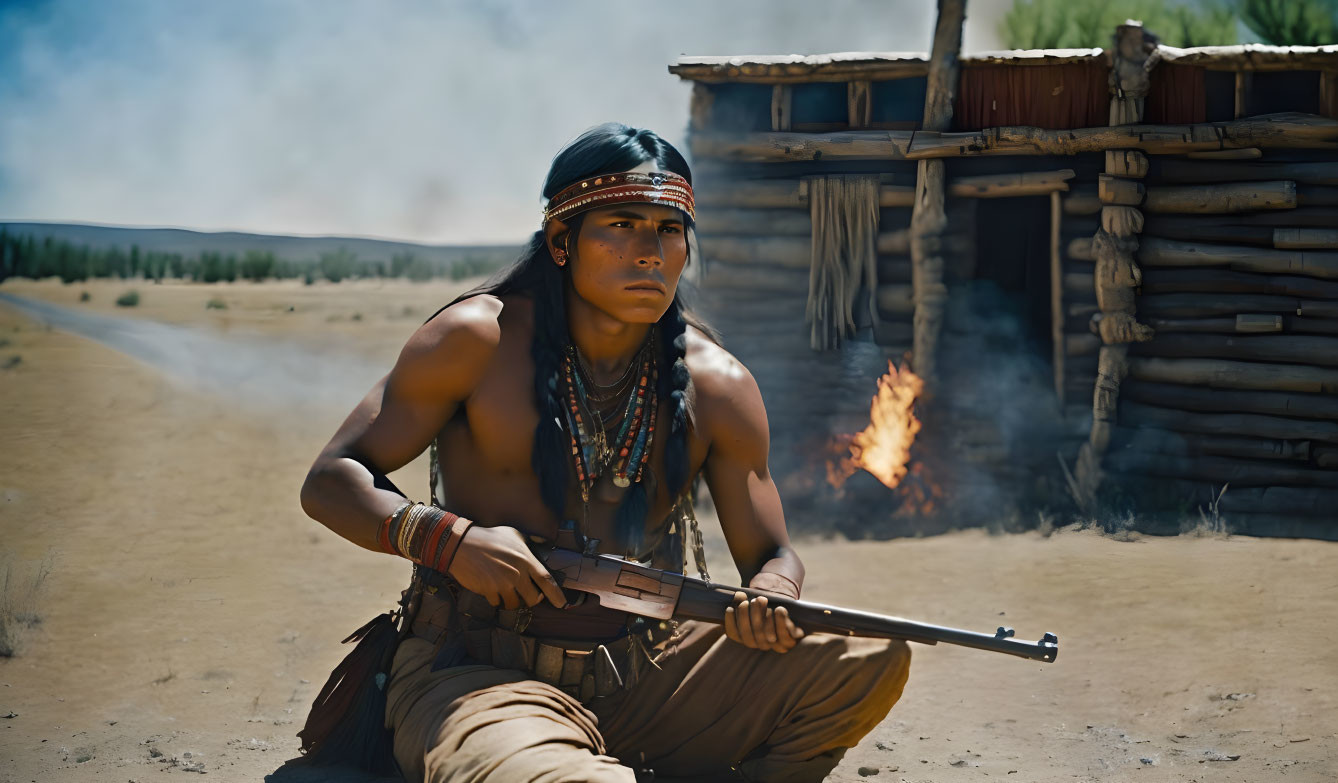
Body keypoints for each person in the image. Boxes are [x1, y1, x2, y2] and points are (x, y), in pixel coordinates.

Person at [299, 122, 911, 783]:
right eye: (621, 223)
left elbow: (771, 552)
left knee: (867, 649)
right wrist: (452, 541)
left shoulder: (718, 384)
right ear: (563, 241)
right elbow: (332, 479)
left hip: (650, 672)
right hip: (478, 675)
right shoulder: (476, 338)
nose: (650, 251)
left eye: (669, 230)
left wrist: (772, 592)